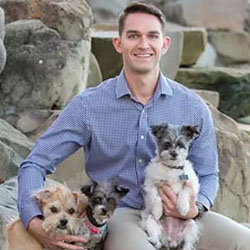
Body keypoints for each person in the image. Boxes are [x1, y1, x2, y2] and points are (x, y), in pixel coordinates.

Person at [17, 2, 250, 250]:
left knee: (243, 241)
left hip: (183, 216)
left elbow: (208, 173)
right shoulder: (89, 105)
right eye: (133, 36)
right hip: (122, 215)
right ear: (118, 44)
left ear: (165, 44)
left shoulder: (192, 106)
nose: (143, 44)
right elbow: (35, 163)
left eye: (152, 36)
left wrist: (197, 206)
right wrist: (34, 221)